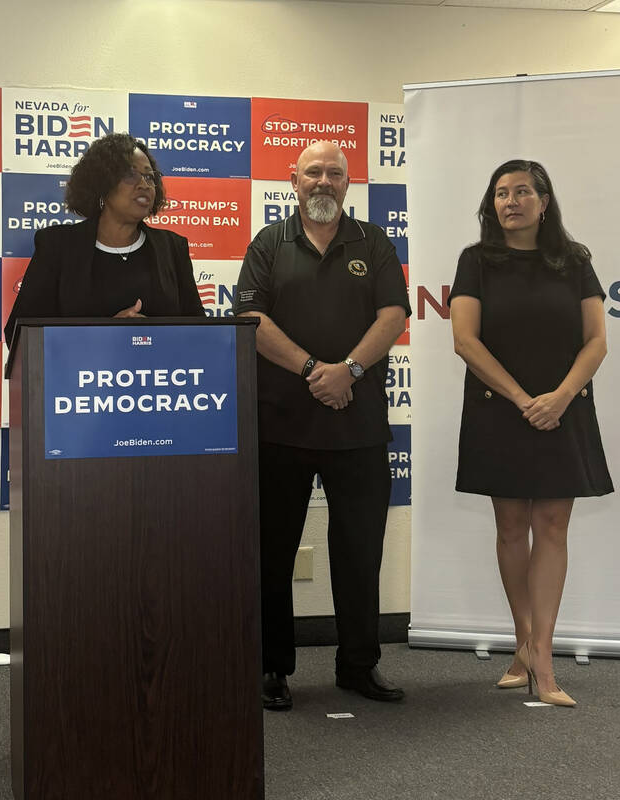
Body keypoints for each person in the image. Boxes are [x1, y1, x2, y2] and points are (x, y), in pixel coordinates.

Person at [236, 141, 411, 711]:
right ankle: (270, 668)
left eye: (335, 173)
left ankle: (358, 666)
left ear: (347, 183)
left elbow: (393, 315)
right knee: (271, 553)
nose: (324, 181)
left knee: (360, 552)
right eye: (314, 171)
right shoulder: (269, 243)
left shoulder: (375, 242)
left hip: (357, 425)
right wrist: (315, 371)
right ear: (293, 179)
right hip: (281, 424)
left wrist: (350, 372)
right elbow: (250, 317)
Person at [449, 159, 613, 708]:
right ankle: (529, 645)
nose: (510, 201)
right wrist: (523, 400)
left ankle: (538, 653)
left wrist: (560, 397)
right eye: (500, 192)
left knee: (553, 522)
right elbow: (465, 341)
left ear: (545, 202)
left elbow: (596, 342)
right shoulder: (477, 262)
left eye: (523, 192)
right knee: (511, 523)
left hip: (563, 409)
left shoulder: (575, 262)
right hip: (502, 409)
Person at [2, 133, 203, 343]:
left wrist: (148, 337)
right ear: (102, 183)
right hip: (77, 374)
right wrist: (106, 333)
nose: (144, 184)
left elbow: (200, 333)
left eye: (150, 177)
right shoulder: (57, 246)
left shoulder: (172, 248)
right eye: (130, 175)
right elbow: (21, 335)